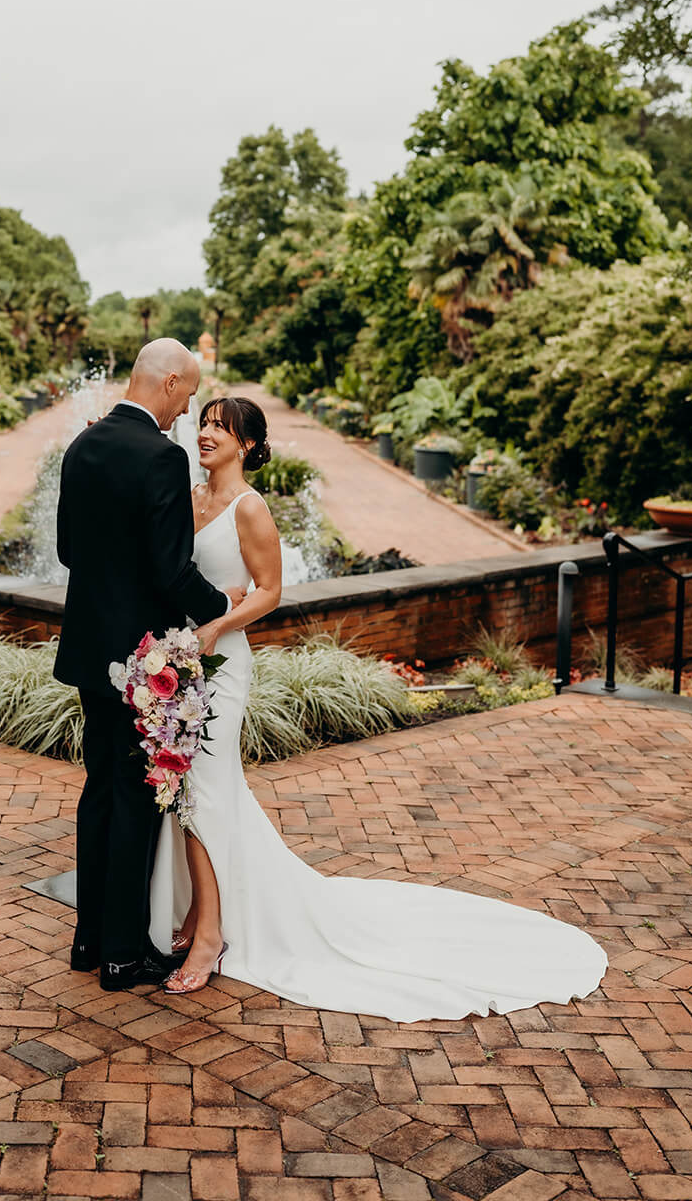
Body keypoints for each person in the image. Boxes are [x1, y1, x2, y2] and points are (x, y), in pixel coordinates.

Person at [149, 394, 608, 1020]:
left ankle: (209, 938)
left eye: (220, 429)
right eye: (203, 423)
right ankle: (203, 910)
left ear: (249, 445)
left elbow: (273, 592)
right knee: (194, 788)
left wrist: (216, 626)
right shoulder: (189, 496)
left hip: (222, 663)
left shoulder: (249, 509)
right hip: (179, 658)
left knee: (202, 788)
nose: (205, 434)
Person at [54, 338, 245, 992]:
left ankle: (87, 940)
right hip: (142, 660)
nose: (188, 408)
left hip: (87, 651)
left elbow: (67, 549)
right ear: (166, 381)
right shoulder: (160, 457)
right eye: (188, 394)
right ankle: (122, 955)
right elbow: (170, 571)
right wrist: (223, 603)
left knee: (98, 791)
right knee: (137, 801)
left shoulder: (80, 447)